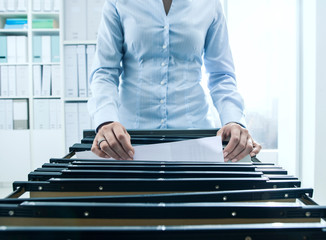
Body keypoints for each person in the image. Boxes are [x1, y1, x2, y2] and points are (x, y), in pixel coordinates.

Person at [88, 0, 262, 161]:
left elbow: (221, 75)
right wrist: (106, 120)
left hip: (195, 137)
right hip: (130, 141)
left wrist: (233, 120)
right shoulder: (117, 3)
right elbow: (105, 71)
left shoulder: (209, 4)